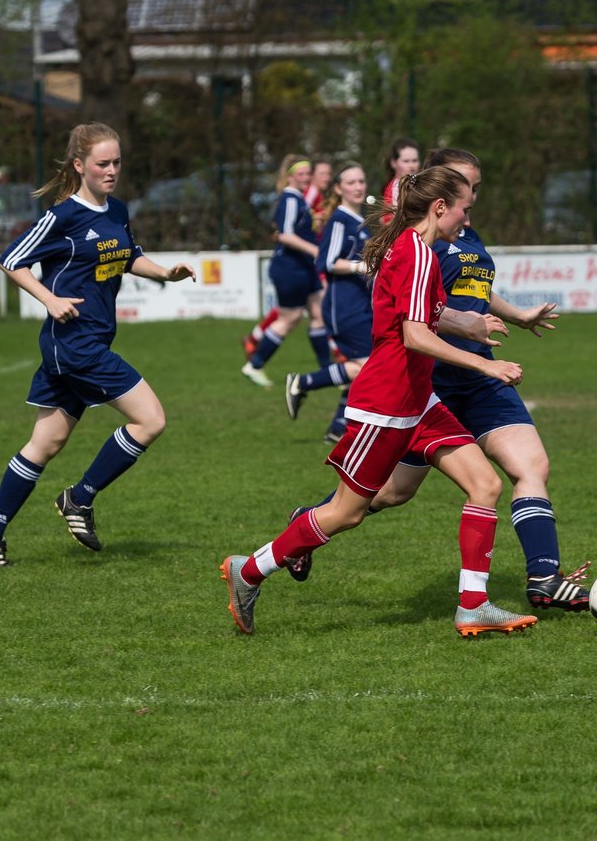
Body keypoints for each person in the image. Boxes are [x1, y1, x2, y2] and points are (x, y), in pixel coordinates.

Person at [221, 165, 537, 637]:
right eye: (464, 210)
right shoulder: (416, 255)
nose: (467, 220)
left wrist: (471, 321)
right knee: (346, 513)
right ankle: (248, 572)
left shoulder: (418, 251)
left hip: (419, 400)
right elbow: (414, 336)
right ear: (439, 208)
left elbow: (424, 317)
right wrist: (484, 365)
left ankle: (473, 605)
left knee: (484, 486)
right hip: (386, 405)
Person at [287, 149, 590, 613]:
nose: (473, 200)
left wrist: (517, 314)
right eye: (468, 189)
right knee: (390, 492)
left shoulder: (466, 235)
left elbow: (477, 291)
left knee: (531, 467)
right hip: (433, 384)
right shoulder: (420, 243)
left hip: (482, 380)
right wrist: (463, 326)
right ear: (443, 194)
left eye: (477, 190)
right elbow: (412, 316)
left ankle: (544, 577)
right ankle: (305, 527)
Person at [0, 122, 196, 567]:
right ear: (79, 166)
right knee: (151, 420)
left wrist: (166, 273)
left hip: (85, 342)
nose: (111, 171)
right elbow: (11, 260)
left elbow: (129, 256)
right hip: (75, 346)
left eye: (116, 163)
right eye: (102, 164)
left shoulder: (117, 210)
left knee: (45, 444)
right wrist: (49, 300)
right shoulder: (62, 216)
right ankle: (80, 497)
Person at [284, 161, 372, 442]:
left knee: (367, 367)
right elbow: (328, 261)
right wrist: (362, 267)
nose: (358, 187)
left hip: (362, 304)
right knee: (368, 365)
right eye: (351, 182)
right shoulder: (339, 220)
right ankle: (304, 383)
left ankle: (338, 427)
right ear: (338, 188)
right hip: (344, 306)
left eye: (361, 181)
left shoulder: (361, 222)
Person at [240, 154, 327, 388]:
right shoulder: (289, 198)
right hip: (290, 268)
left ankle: (328, 371)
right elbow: (285, 234)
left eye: (309, 173)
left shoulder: (298, 199)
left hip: (303, 267)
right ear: (289, 176)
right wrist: (314, 249)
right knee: (290, 319)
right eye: (301, 174)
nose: (306, 178)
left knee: (319, 313)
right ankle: (254, 364)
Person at [379, 138, 420, 225]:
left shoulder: (419, 183)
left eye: (415, 160)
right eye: (406, 161)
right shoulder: (396, 187)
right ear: (394, 163)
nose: (411, 165)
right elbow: (388, 222)